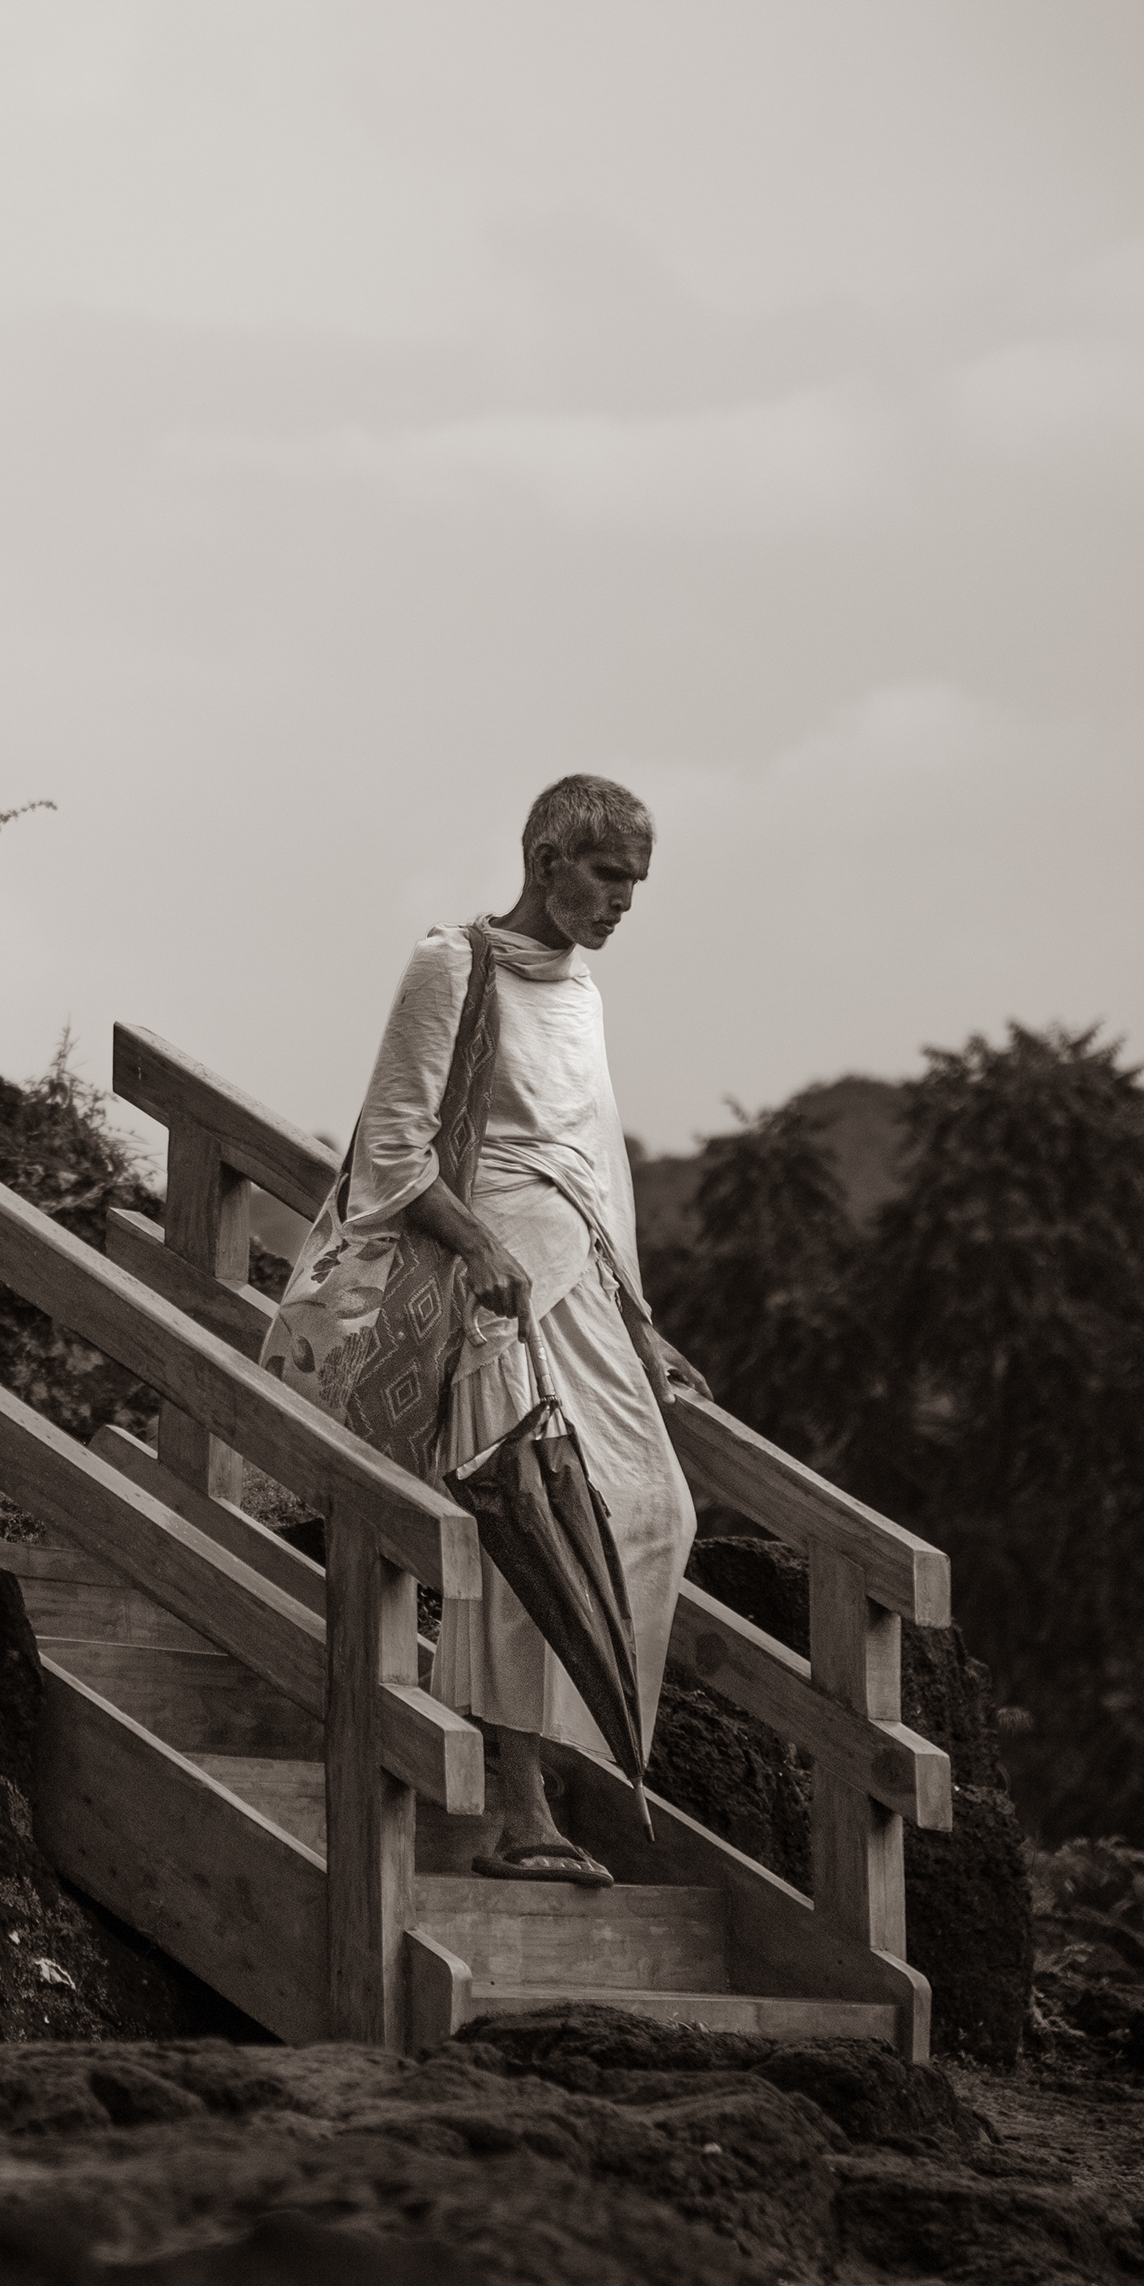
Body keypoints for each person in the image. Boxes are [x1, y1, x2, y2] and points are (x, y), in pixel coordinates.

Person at [265, 772, 708, 1886]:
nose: (624, 901)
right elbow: (393, 1148)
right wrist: (476, 1246)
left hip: (582, 1277)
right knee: (531, 1520)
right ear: (547, 860)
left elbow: (598, 1166)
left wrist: (642, 1322)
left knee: (656, 1510)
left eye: (638, 883)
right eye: (608, 875)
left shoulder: (583, 992)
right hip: (492, 1287)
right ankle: (522, 1810)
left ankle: (561, 1767)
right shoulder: (452, 963)